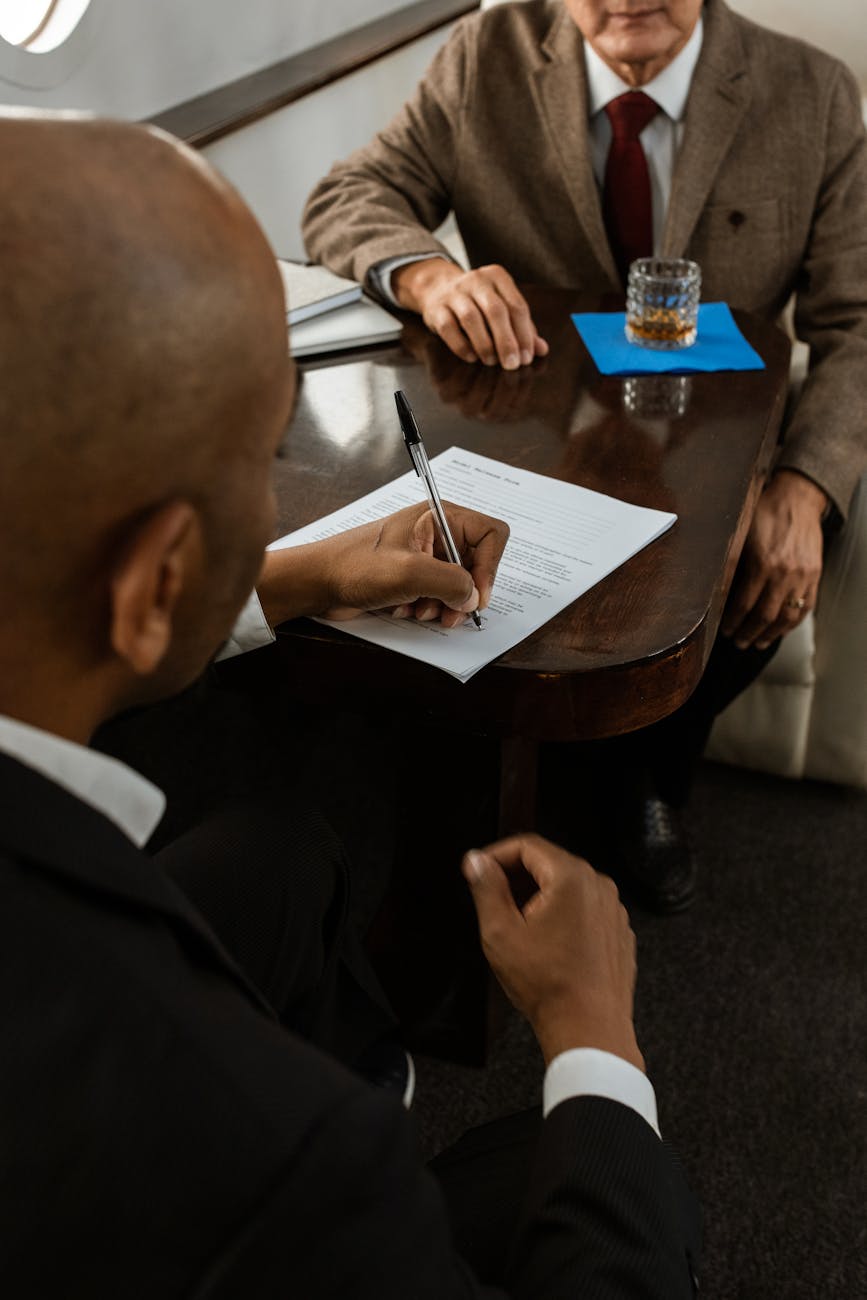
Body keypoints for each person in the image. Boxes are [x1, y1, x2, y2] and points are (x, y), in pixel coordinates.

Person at [0, 112, 699, 1296]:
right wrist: (593, 1035)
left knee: (278, 856)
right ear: (158, 578)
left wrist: (316, 568)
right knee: (559, 1154)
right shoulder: (292, 1165)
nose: (277, 497)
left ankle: (372, 1056)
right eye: (258, 462)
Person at [302, 0, 867, 909]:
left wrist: (803, 485)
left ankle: (643, 779)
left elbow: (857, 320)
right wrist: (427, 274)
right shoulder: (486, 52)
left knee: (758, 572)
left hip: (715, 449)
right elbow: (346, 199)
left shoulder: (814, 92)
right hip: (528, 430)